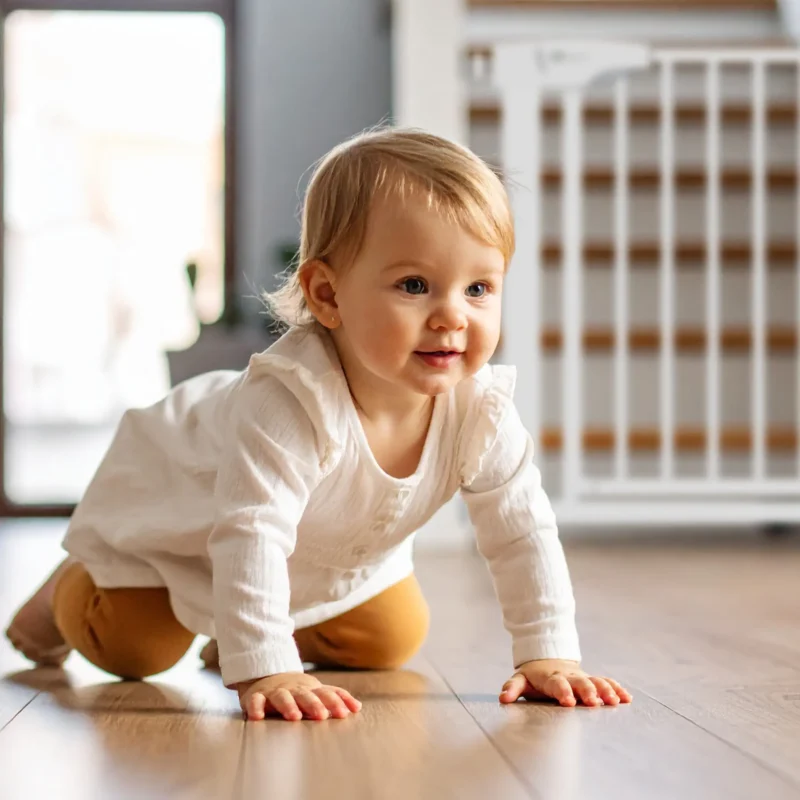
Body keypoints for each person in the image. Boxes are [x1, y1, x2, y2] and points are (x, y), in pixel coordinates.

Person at [5, 128, 632, 722]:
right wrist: (267, 669)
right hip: (186, 534)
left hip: (315, 559)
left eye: (478, 288)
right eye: (415, 285)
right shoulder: (289, 404)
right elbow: (252, 530)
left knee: (390, 636)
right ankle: (70, 588)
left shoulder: (480, 409)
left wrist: (547, 651)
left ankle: (243, 624)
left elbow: (522, 530)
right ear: (328, 296)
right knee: (133, 647)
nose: (452, 317)